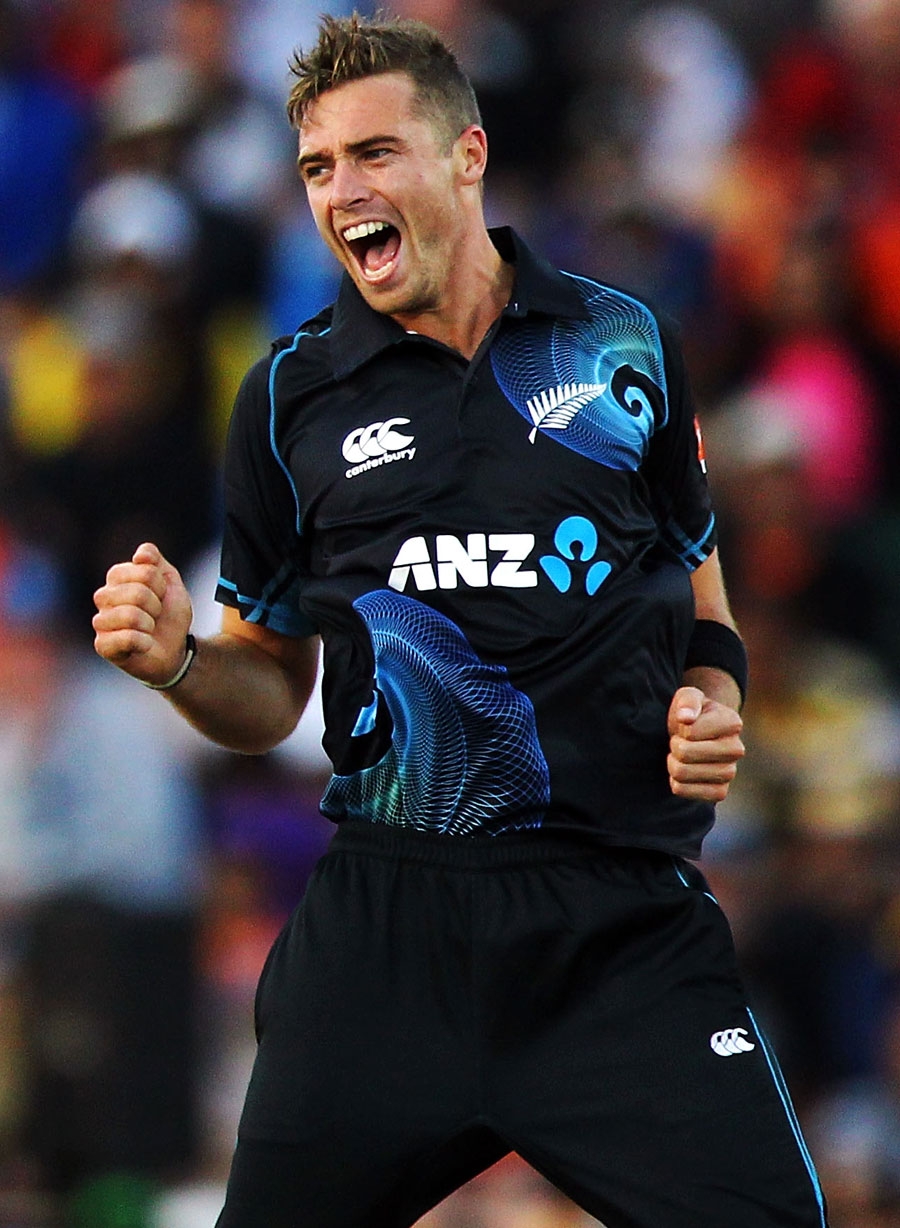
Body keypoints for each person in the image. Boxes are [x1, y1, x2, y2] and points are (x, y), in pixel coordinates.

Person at [92, 13, 829, 1228]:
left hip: (617, 925)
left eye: (375, 153)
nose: (343, 192)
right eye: (319, 168)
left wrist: (716, 700)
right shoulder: (288, 397)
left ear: (468, 157)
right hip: (390, 932)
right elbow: (268, 683)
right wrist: (180, 662)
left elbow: (705, 602)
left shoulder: (621, 343)